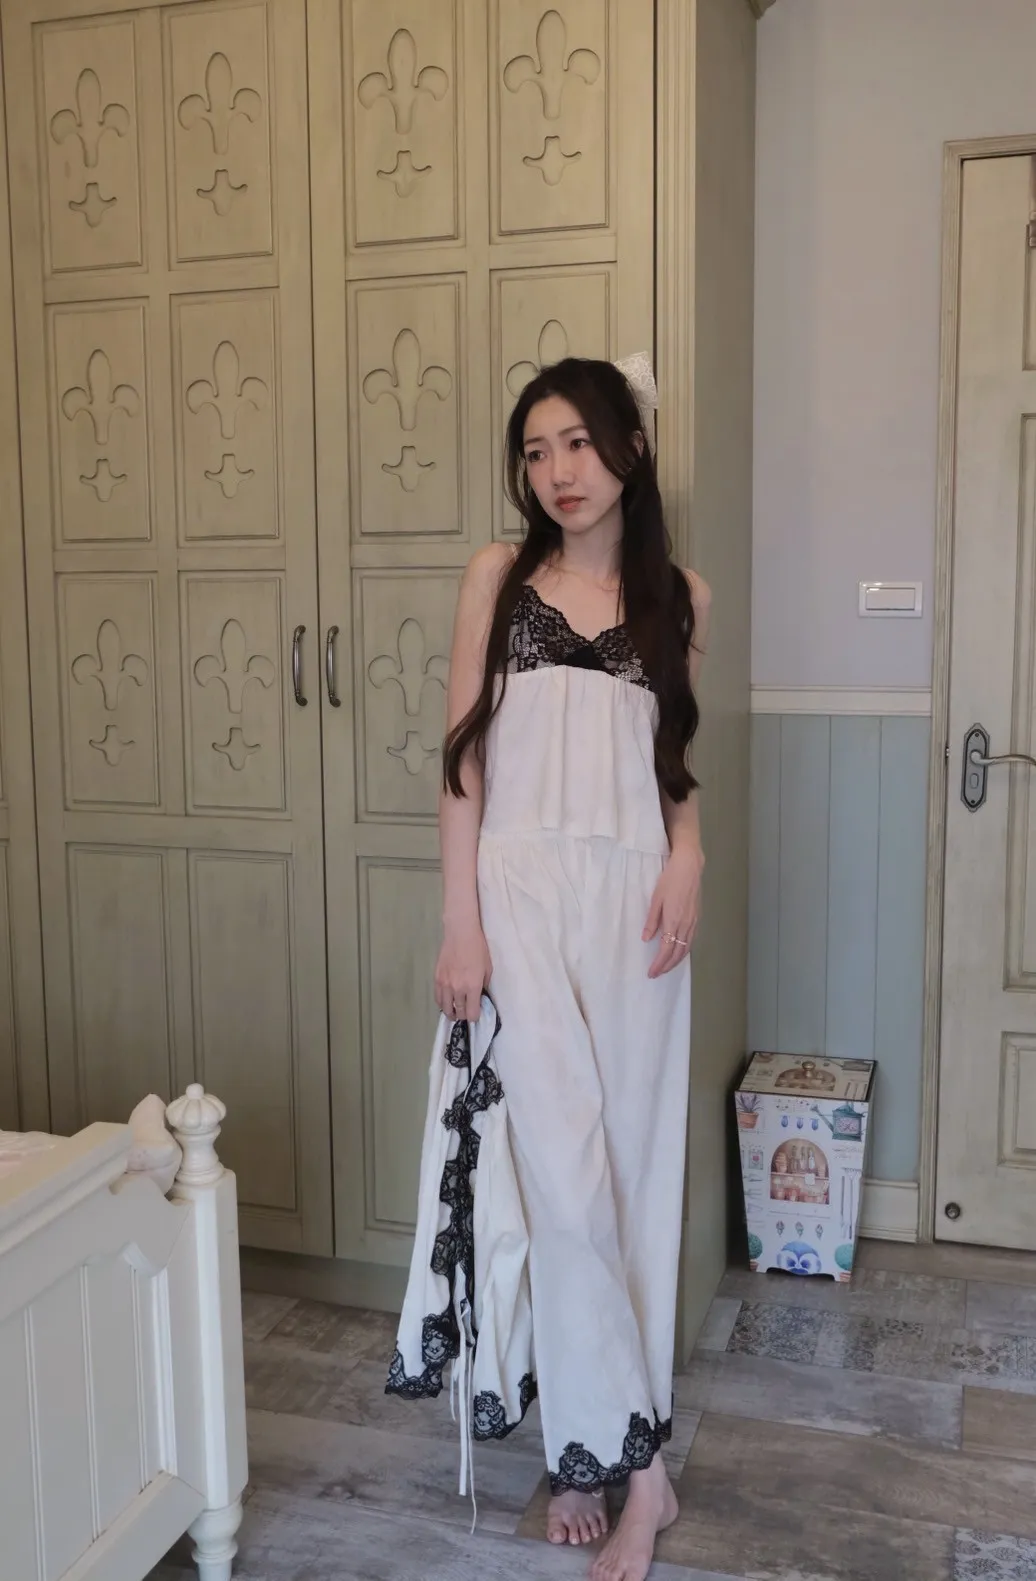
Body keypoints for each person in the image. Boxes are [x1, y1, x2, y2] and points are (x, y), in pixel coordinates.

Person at [387, 356, 709, 1581]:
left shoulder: (679, 598)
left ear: (630, 447)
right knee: (560, 1186)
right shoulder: (499, 578)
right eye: (535, 450)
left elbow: (675, 763)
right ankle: (638, 1468)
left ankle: (593, 1457)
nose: (557, 471)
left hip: (634, 908)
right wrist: (458, 922)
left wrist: (691, 855)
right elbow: (462, 765)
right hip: (517, 901)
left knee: (629, 1180)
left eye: (577, 442)